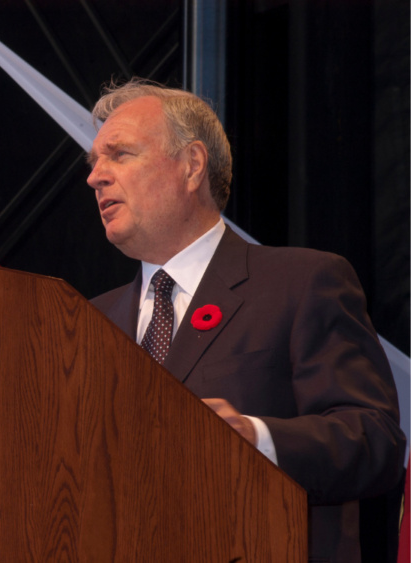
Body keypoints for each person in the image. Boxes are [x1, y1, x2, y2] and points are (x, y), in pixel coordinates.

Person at [87, 78, 406, 562]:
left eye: (120, 154)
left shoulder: (301, 282)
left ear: (192, 165)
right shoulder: (86, 323)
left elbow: (374, 438)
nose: (96, 177)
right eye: (94, 163)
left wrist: (257, 438)